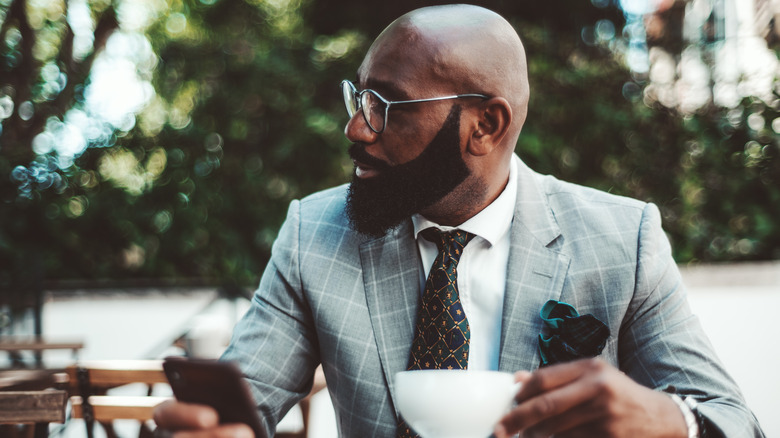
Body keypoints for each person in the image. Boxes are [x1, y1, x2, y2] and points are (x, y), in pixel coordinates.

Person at [154, 4, 764, 438]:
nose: (357, 129)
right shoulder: (314, 233)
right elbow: (243, 403)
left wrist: (674, 424)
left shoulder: (620, 240)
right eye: (357, 97)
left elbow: (736, 421)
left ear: (486, 126)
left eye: (384, 106)